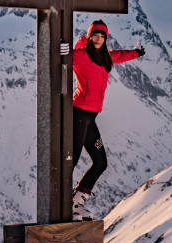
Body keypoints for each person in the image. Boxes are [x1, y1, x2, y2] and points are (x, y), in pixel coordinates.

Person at [60, 19, 145, 221]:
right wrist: (60, 50)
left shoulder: (106, 57)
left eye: (102, 36)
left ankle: (75, 201)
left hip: (90, 118)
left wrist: (137, 53)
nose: (98, 39)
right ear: (89, 37)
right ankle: (59, 204)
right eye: (95, 35)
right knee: (70, 160)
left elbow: (121, 56)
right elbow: (60, 59)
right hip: (78, 113)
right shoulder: (81, 55)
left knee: (100, 162)